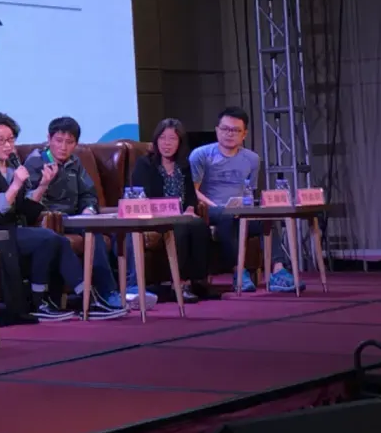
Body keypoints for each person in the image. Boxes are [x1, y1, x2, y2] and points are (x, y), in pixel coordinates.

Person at [0, 113, 126, 322]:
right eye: (0, 141)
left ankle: (60, 300)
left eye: (11, 139)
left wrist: (43, 185)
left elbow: (26, 210)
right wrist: (16, 185)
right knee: (49, 238)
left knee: (52, 240)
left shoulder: (11, 166)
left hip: (12, 228)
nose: (7, 146)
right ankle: (85, 300)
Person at [24, 116, 152, 311]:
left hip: (77, 217)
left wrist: (89, 209)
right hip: (53, 219)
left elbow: (89, 194)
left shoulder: (74, 162)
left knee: (122, 227)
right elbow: (28, 202)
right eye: (59, 141)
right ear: (49, 139)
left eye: (69, 142)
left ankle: (131, 289)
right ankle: (106, 293)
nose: (63, 147)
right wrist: (44, 184)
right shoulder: (35, 162)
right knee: (93, 231)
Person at [189, 106, 300, 293]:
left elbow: (250, 191)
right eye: (225, 129)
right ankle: (239, 273)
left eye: (235, 130)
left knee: (268, 218)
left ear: (244, 134)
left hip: (240, 210)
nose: (229, 134)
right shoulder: (201, 155)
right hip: (211, 210)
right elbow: (194, 191)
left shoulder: (252, 159)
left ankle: (278, 271)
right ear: (216, 130)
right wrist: (219, 207)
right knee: (226, 216)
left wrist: (248, 208)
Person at [129, 119, 211, 301]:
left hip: (181, 215)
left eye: (172, 139)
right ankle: (178, 284)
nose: (167, 144)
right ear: (156, 140)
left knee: (199, 225)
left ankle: (197, 282)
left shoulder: (184, 165)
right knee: (179, 228)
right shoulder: (145, 164)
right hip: (156, 217)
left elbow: (191, 194)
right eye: (163, 138)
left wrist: (190, 209)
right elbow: (142, 195)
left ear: (180, 142)